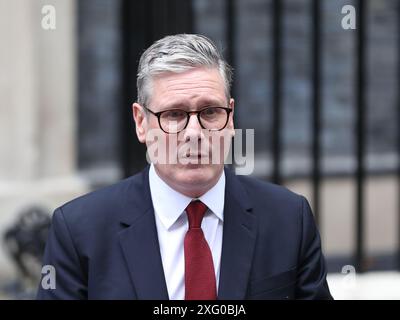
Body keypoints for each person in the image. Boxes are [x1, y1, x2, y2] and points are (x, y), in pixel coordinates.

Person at [37, 34, 332, 300]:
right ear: (141, 122)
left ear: (230, 118)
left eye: (210, 112)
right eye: (174, 114)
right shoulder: (79, 230)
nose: (194, 133)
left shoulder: (289, 219)